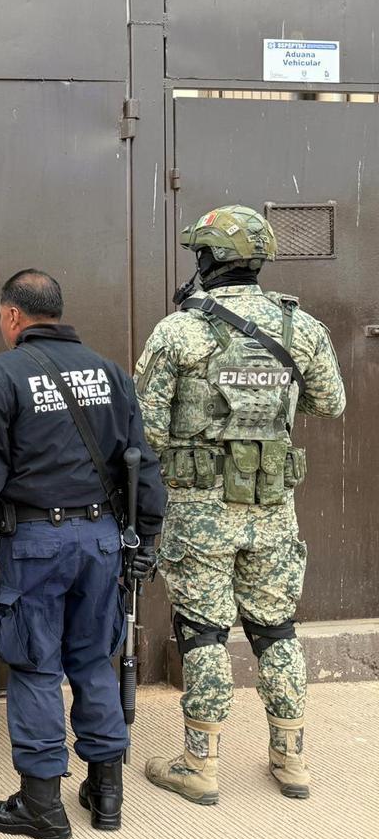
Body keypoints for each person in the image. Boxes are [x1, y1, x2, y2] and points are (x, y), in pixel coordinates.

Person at [134, 205, 345, 804]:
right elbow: (330, 403)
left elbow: (145, 428)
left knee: (202, 631)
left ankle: (199, 766)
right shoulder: (300, 326)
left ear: (206, 259)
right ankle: (291, 759)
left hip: (199, 511)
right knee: (276, 629)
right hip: (272, 507)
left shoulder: (179, 331)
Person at [0, 269, 166, 839]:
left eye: (2, 317)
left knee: (35, 665)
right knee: (94, 660)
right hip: (102, 542)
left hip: (37, 545)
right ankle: (107, 794)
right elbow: (143, 462)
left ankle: (42, 806)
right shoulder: (111, 373)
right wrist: (147, 539)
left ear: (13, 315)